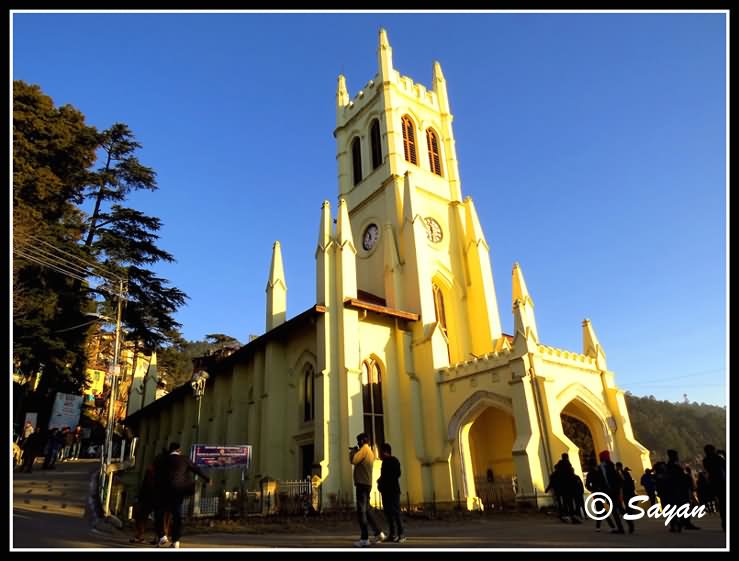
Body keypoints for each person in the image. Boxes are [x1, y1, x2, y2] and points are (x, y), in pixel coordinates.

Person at [155, 442, 211, 548]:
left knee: (159, 513)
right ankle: (176, 541)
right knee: (177, 515)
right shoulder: (184, 459)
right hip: (178, 490)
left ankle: (162, 536)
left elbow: (157, 475)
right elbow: (196, 469)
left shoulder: (163, 459)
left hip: (164, 491)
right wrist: (207, 479)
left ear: (170, 450)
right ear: (179, 450)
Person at [349, 433, 386, 547]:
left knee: (362, 511)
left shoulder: (364, 449)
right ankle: (378, 533)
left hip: (362, 484)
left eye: (359, 441)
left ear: (363, 441)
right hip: (366, 483)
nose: (358, 443)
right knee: (367, 510)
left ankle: (364, 539)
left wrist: (353, 451)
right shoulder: (369, 451)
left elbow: (354, 460)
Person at [377, 442, 405, 543]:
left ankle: (401, 534)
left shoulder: (392, 461)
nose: (379, 454)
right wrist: (380, 481)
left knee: (396, 512)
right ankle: (392, 534)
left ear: (385, 452)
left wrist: (383, 480)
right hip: (386, 491)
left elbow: (396, 474)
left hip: (392, 491)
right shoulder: (385, 462)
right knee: (388, 513)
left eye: (380, 452)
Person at [703, 444, 725, 531]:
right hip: (722, 483)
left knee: (721, 503)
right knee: (723, 503)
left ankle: (724, 522)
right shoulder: (718, 459)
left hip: (714, 483)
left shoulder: (706, 460)